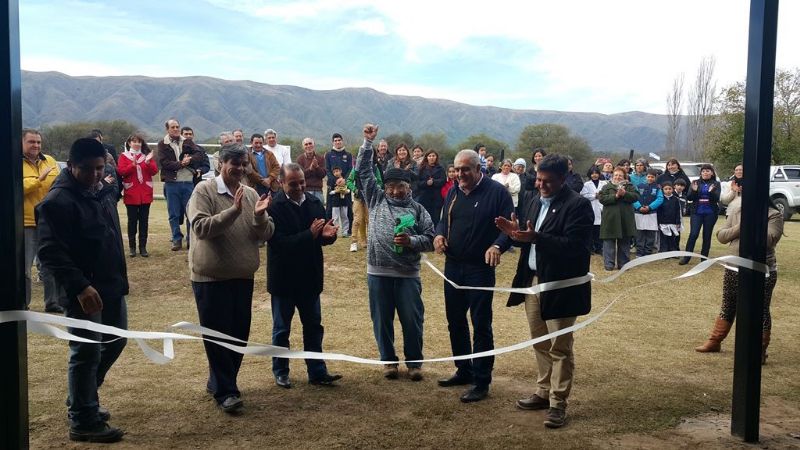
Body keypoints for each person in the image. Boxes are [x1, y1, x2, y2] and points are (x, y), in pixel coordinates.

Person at [36, 138, 129, 442]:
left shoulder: (101, 191)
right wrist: (80, 286)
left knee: (115, 341)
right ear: (71, 166)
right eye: (87, 170)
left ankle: (82, 395)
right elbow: (50, 252)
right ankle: (83, 419)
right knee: (86, 352)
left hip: (111, 285)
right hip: (84, 292)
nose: (94, 176)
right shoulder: (57, 202)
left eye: (99, 169)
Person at [496, 153, 593, 429]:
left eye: (547, 181)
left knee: (560, 346)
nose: (540, 185)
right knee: (539, 341)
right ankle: (542, 391)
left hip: (561, 286)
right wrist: (516, 234)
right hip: (532, 282)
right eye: (538, 179)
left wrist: (538, 238)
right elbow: (528, 234)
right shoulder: (532, 200)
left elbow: (576, 247)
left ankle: (557, 403)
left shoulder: (578, 206)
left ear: (563, 179)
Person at [187, 143, 274, 414]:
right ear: (220, 164)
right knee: (216, 336)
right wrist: (233, 212)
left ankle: (219, 382)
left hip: (242, 276)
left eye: (243, 164)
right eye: (233, 163)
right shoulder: (204, 190)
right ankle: (227, 391)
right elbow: (201, 228)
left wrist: (258, 217)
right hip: (210, 278)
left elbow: (267, 232)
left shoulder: (249, 193)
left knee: (238, 337)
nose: (239, 169)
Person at [434, 149, 514, 403]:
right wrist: (439, 235)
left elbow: (510, 227)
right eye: (457, 170)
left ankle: (481, 380)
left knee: (480, 324)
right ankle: (463, 370)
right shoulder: (454, 191)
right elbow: (443, 221)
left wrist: (498, 246)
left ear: (479, 168)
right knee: (455, 321)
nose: (460, 174)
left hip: (480, 269)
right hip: (453, 266)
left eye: (465, 169)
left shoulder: (497, 192)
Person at [356, 124, 435, 381]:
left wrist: (412, 240)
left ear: (408, 187)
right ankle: (389, 362)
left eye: (399, 185)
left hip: (407, 274)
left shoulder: (418, 210)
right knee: (382, 320)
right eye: (390, 185)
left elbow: (431, 239)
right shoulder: (376, 199)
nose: (394, 190)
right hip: (377, 272)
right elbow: (364, 172)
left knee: (412, 320)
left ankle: (414, 364)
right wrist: (368, 143)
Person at [268, 163, 342, 388]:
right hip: (284, 279)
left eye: (301, 182)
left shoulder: (315, 202)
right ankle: (281, 370)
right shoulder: (274, 207)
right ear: (281, 183)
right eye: (293, 184)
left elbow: (320, 238)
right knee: (282, 329)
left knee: (313, 327)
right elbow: (278, 243)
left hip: (310, 277)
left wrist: (328, 237)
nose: (300, 187)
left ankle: (317, 371)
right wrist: (309, 235)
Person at [695, 189, 783, 365]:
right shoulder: (737, 212)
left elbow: (771, 239)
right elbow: (721, 236)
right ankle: (715, 341)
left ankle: (759, 350)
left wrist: (753, 224)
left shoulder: (774, 215)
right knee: (728, 304)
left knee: (761, 309)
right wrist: (741, 226)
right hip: (734, 267)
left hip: (762, 270)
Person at [22, 128, 63, 313]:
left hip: (49, 221)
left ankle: (52, 302)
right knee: (24, 267)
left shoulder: (51, 161)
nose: (36, 145)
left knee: (50, 264)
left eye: (38, 142)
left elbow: (60, 185)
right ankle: (22, 302)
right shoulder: (13, 163)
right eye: (31, 142)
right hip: (26, 222)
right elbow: (15, 188)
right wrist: (39, 180)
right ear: (21, 143)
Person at [158, 118, 207, 251]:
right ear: (167, 129)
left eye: (177, 127)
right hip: (171, 183)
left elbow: (199, 155)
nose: (176, 129)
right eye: (173, 127)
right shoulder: (163, 144)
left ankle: (191, 239)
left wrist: (189, 160)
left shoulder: (187, 142)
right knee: (173, 213)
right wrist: (181, 164)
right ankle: (176, 239)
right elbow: (164, 163)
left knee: (190, 212)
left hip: (188, 182)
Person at [117, 133, 158, 257]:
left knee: (144, 221)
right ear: (129, 143)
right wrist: (132, 165)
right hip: (131, 193)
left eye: (139, 142)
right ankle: (132, 247)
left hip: (145, 193)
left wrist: (148, 161)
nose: (137, 144)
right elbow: (121, 172)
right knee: (132, 221)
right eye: (134, 141)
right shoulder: (124, 156)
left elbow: (154, 171)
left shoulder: (146, 156)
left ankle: (143, 248)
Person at [679, 164, 721, 265]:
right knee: (693, 234)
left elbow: (716, 198)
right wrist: (693, 190)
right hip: (697, 212)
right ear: (700, 173)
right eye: (703, 171)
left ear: (712, 173)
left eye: (708, 171)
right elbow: (689, 197)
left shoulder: (716, 184)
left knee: (707, 235)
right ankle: (687, 257)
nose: (705, 173)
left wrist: (711, 192)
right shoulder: (695, 182)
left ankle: (704, 258)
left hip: (710, 213)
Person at [598, 167, 639, 271]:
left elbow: (635, 197)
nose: (618, 177)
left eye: (620, 175)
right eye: (616, 175)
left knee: (624, 243)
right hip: (610, 219)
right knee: (608, 243)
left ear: (624, 177)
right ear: (613, 176)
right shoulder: (607, 187)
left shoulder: (630, 186)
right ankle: (609, 265)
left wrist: (625, 194)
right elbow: (602, 199)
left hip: (625, 219)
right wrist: (615, 196)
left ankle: (623, 264)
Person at [346, 148, 384, 252]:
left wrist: (374, 189)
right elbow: (348, 181)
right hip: (358, 198)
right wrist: (355, 189)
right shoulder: (356, 169)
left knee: (369, 220)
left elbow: (380, 182)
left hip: (370, 199)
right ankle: (354, 242)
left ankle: (369, 242)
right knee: (358, 220)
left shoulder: (375, 168)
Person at [325, 133, 354, 233]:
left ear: (342, 141)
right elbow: (327, 170)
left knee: (348, 209)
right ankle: (330, 230)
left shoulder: (348, 155)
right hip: (332, 187)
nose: (337, 142)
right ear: (333, 142)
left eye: (339, 140)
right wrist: (335, 180)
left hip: (345, 186)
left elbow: (351, 169)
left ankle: (348, 230)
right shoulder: (329, 155)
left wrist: (344, 180)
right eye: (335, 140)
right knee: (330, 210)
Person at [632, 169, 663, 257]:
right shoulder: (639, 186)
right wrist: (638, 207)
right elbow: (634, 198)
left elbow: (660, 199)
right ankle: (639, 251)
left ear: (655, 178)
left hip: (651, 213)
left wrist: (650, 207)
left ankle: (648, 251)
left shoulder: (657, 188)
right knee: (639, 233)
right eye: (648, 176)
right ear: (646, 177)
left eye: (652, 177)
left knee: (650, 234)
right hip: (639, 213)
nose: (650, 178)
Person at [415, 149, 446, 227]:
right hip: (424, 197)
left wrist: (434, 182)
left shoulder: (440, 168)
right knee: (424, 218)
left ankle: (435, 235)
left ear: (436, 157)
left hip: (437, 197)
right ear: (427, 157)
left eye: (433, 156)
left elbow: (443, 180)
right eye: (430, 156)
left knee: (436, 218)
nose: (431, 157)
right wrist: (426, 183)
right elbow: (418, 182)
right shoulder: (421, 168)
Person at [580, 166, 606, 255]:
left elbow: (606, 193)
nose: (594, 175)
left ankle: (599, 248)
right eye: (592, 173)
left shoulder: (604, 183)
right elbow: (583, 195)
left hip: (601, 207)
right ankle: (590, 248)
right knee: (591, 229)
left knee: (599, 230)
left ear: (599, 174)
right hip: (591, 207)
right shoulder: (587, 184)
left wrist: (600, 196)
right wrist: (594, 196)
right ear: (590, 175)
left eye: (596, 173)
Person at [296, 137, 327, 202]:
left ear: (314, 145)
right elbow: (299, 176)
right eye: (306, 144)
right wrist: (310, 169)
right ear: (303, 147)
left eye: (310, 143)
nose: (308, 146)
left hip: (318, 191)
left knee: (319, 211)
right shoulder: (300, 159)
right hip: (305, 190)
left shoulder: (320, 158)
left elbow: (323, 174)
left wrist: (317, 167)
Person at [657, 181, 682, 253]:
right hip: (663, 223)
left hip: (673, 222)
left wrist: (678, 222)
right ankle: (664, 251)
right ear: (662, 190)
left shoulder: (675, 199)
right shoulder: (661, 199)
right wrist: (659, 222)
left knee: (672, 238)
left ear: (673, 189)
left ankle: (672, 252)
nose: (668, 191)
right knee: (664, 238)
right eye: (666, 189)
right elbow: (659, 211)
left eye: (669, 189)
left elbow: (678, 211)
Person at [328, 166, 351, 236]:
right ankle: (335, 232)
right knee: (335, 217)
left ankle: (345, 232)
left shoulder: (345, 179)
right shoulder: (331, 180)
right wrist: (336, 191)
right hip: (335, 202)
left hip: (344, 201)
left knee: (344, 216)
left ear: (340, 171)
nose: (336, 173)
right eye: (334, 172)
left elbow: (349, 189)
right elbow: (330, 192)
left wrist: (346, 191)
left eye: (337, 171)